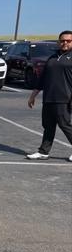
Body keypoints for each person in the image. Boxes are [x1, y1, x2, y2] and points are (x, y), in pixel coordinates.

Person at [26, 30, 72, 161]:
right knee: (48, 126)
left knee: (65, 125)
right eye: (62, 41)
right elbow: (42, 78)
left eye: (68, 41)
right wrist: (33, 95)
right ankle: (43, 152)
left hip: (64, 98)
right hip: (49, 98)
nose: (65, 43)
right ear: (58, 42)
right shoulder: (52, 57)